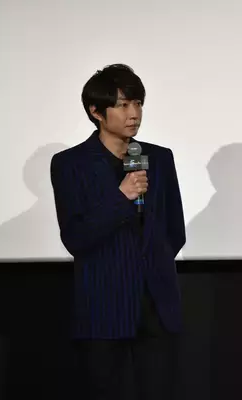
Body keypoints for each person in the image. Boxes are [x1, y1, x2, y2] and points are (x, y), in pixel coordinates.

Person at [50, 64, 186, 400]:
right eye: (123, 105)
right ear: (96, 112)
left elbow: (174, 229)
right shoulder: (70, 164)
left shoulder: (159, 158)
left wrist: (153, 266)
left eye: (138, 103)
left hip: (157, 305)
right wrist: (121, 197)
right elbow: (75, 237)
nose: (134, 113)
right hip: (103, 306)